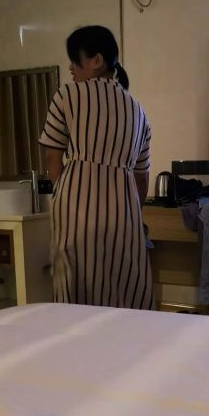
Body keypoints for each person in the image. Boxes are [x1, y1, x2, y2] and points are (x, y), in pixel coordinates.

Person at [39, 25, 153, 310]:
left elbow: (52, 157)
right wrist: (130, 211)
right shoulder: (138, 110)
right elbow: (142, 177)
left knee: (74, 290)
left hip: (75, 211)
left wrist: (64, 193)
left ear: (97, 60)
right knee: (124, 288)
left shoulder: (67, 96)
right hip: (124, 214)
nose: (70, 67)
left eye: (75, 60)